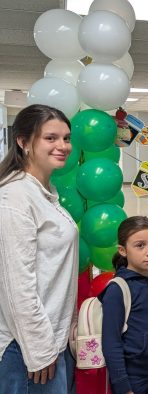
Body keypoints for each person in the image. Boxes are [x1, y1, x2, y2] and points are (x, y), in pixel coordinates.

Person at [0, 104, 78, 393]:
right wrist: (39, 350)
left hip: (53, 338)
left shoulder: (44, 193)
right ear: (23, 142)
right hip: (26, 348)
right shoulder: (15, 197)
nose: (63, 146)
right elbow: (16, 287)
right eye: (50, 138)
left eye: (66, 138)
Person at [101, 216, 148, 394]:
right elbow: (111, 343)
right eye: (140, 245)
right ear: (123, 250)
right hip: (132, 378)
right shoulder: (117, 289)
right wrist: (123, 387)